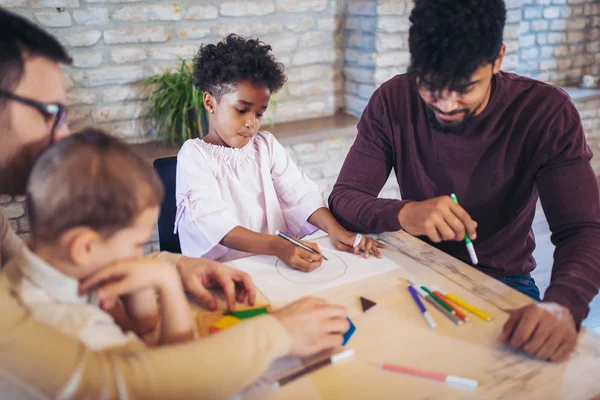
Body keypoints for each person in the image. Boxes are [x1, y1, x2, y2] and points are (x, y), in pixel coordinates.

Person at [0, 8, 348, 399]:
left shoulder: (44, 275)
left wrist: (168, 266)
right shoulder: (195, 154)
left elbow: (33, 268)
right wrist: (278, 333)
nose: (64, 134)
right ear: (210, 102)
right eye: (51, 113)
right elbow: (116, 382)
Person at [329, 0, 600, 362]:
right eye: (430, 86)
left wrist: (564, 305)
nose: (446, 105)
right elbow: (345, 197)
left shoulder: (545, 112)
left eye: (465, 88)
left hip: (501, 280)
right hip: (412, 269)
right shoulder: (393, 99)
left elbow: (583, 229)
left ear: (498, 59)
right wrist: (405, 214)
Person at [175, 34, 384, 272]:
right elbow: (212, 223)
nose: (251, 123)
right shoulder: (194, 156)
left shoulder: (266, 146)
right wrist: (277, 245)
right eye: (242, 110)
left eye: (259, 113)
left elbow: (300, 194)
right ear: (210, 102)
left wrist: (337, 231)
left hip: (275, 265)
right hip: (227, 273)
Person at [5, 129, 195, 350]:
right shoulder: (77, 327)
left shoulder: (64, 270)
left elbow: (144, 324)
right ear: (85, 248)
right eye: (137, 244)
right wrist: (167, 280)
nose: (139, 255)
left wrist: (141, 279)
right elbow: (176, 369)